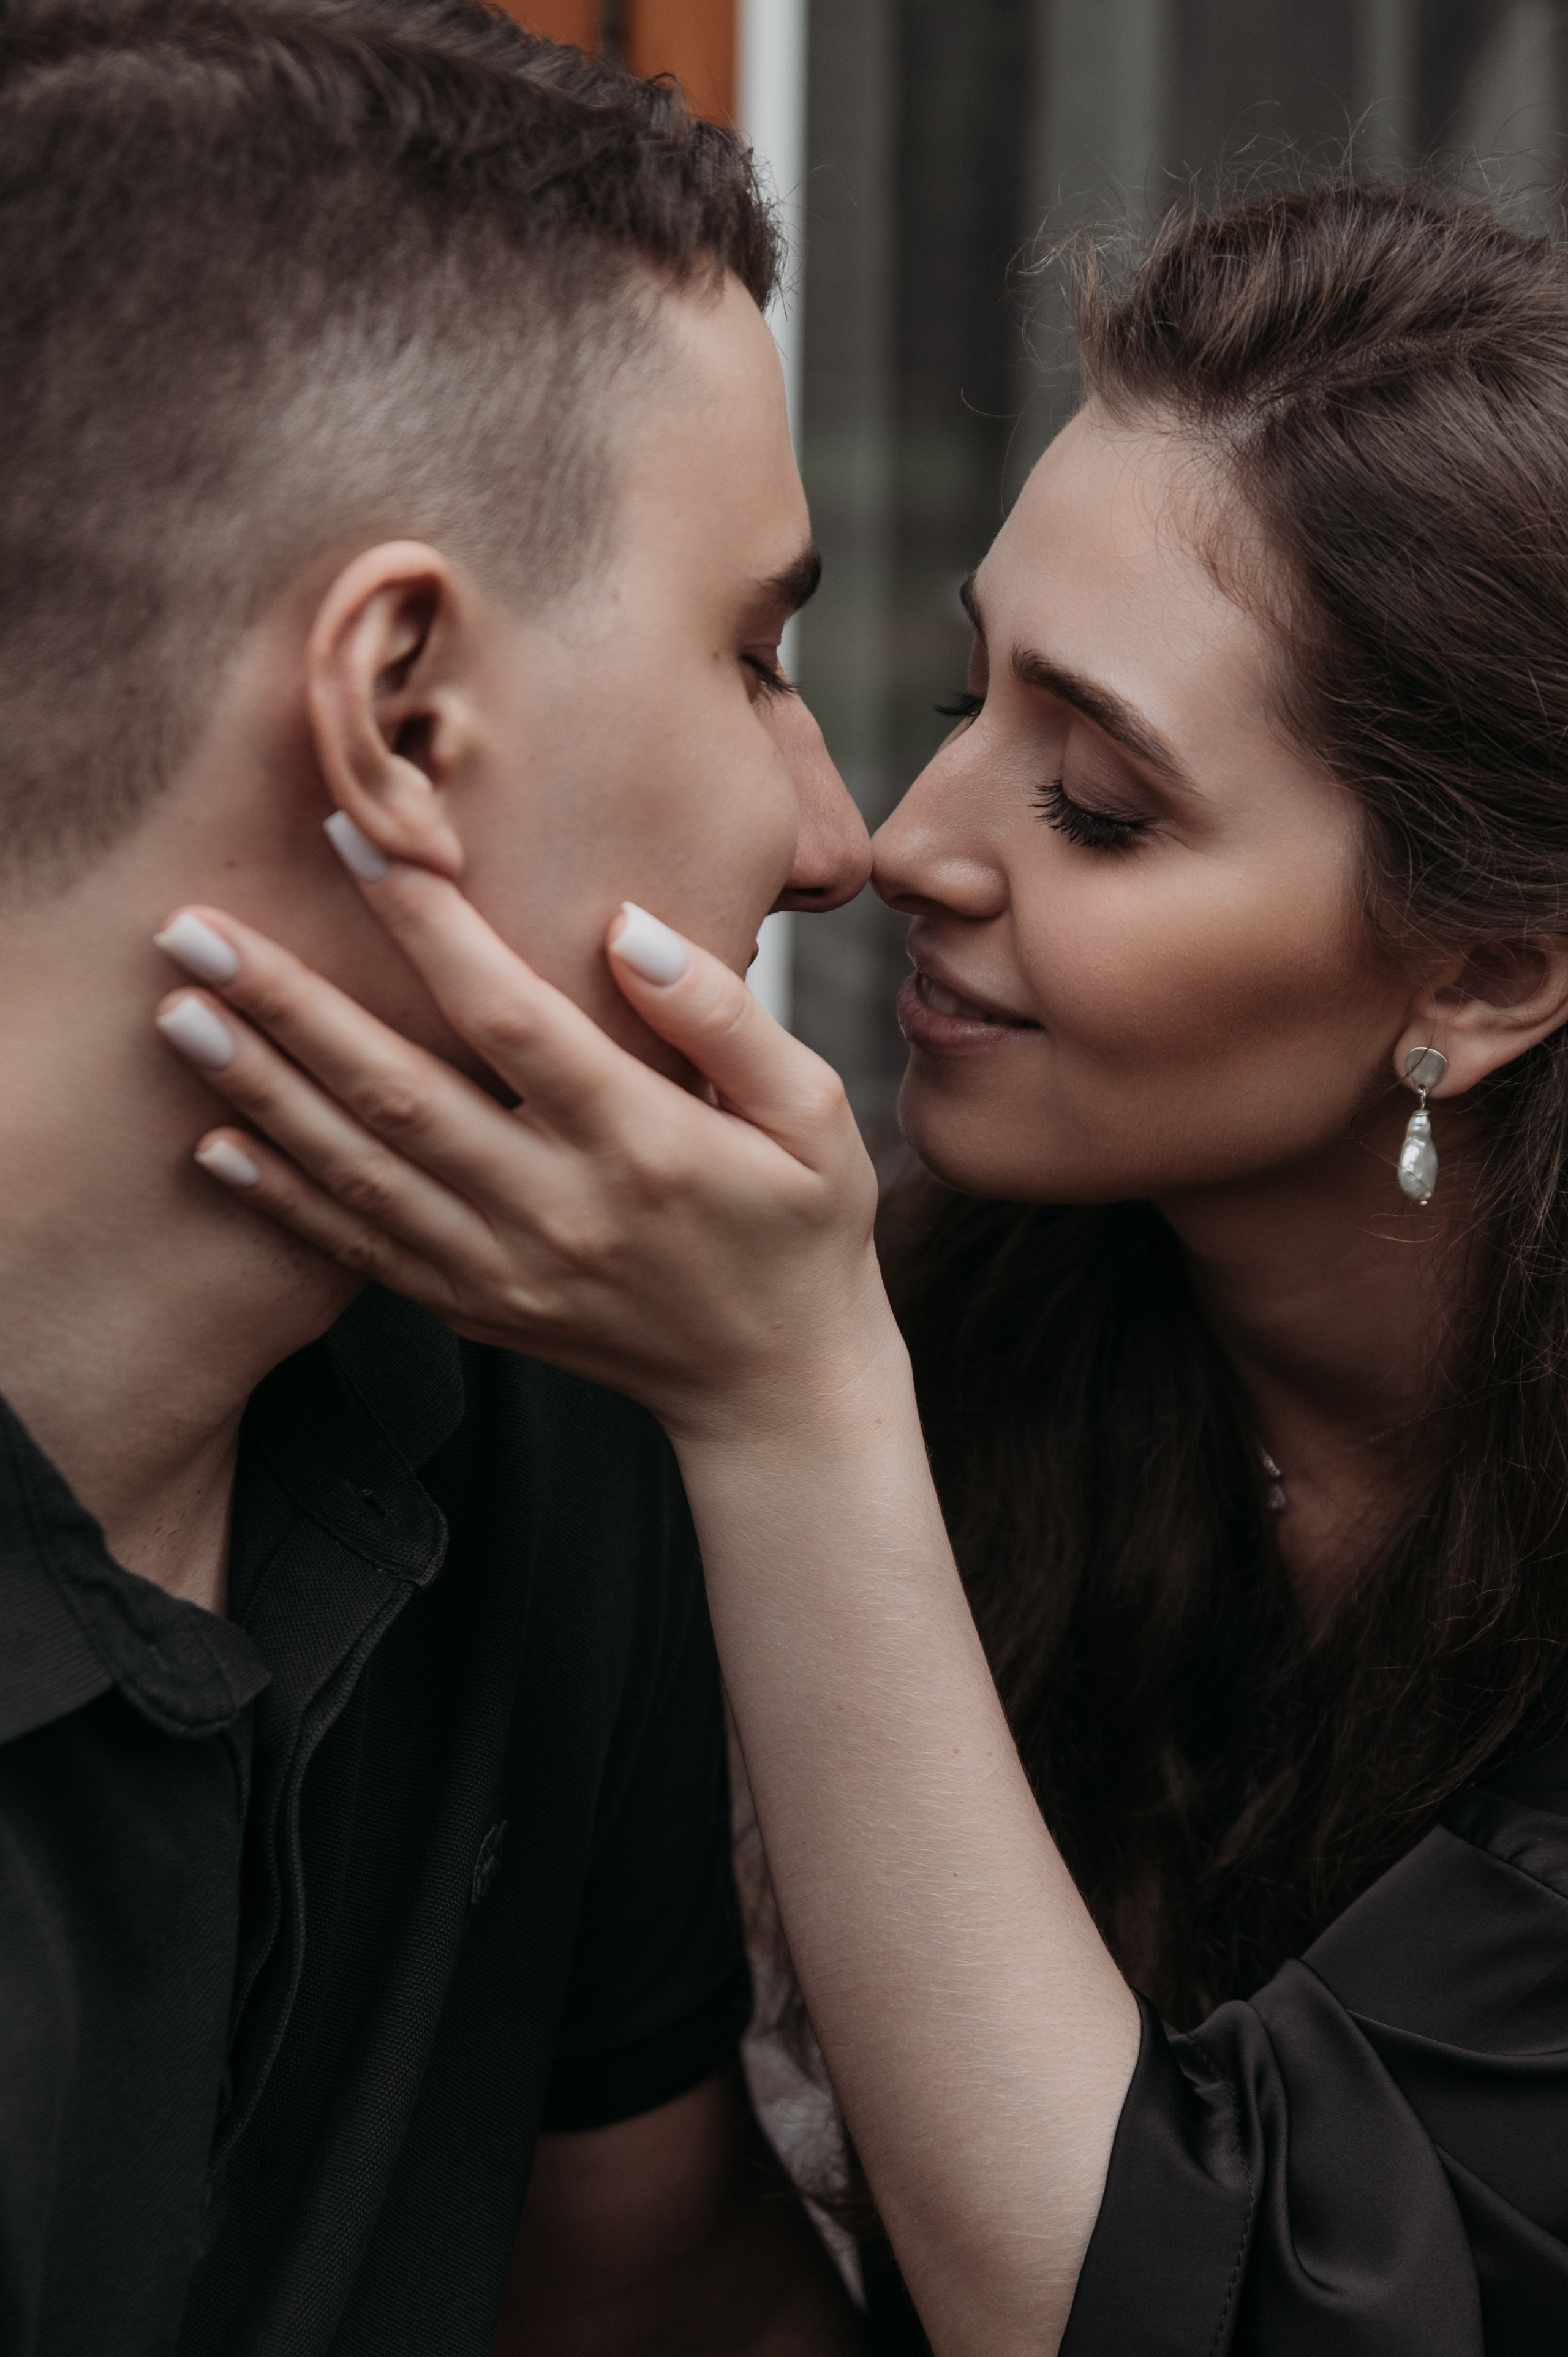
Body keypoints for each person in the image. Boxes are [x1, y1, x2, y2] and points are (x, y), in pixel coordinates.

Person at [168, 174, 1568, 2355]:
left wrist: (793, 1401)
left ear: (1479, 975)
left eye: (1094, 800)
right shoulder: (987, 1321)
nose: (903, 841)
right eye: (955, 692)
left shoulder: (816, 1352)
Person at [0, 3, 874, 2351]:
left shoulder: (547, 1388)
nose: (835, 836)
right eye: (754, 657)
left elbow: (656, 2292)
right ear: (399, 710)